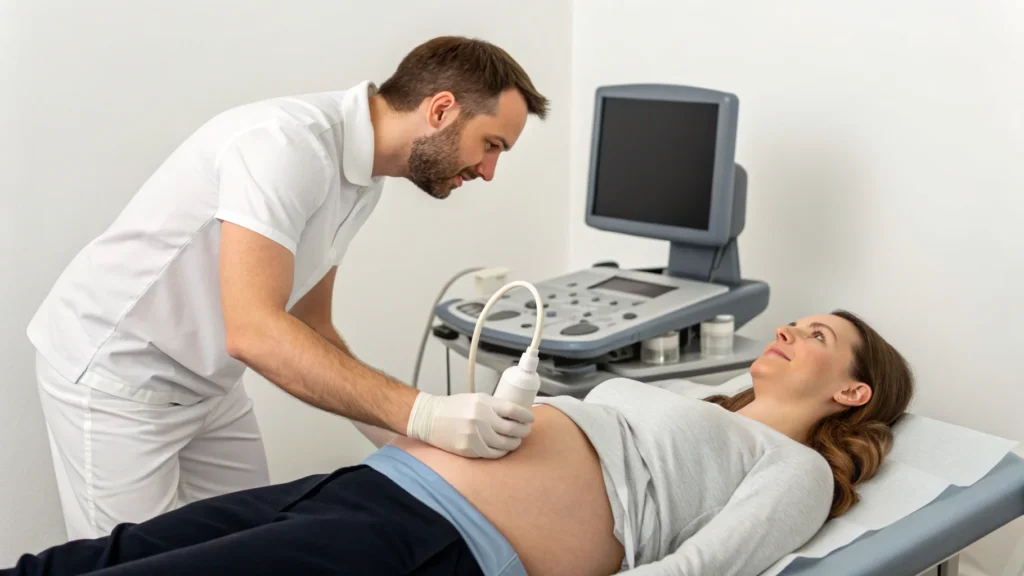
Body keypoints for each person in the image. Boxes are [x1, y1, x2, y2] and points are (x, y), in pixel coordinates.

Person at [26, 35, 551, 540]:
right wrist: (426, 413)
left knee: (252, 544)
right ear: (440, 110)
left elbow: (308, 321)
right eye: (491, 145)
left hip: (208, 382)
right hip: (119, 375)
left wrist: (410, 438)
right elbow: (254, 331)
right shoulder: (285, 147)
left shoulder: (364, 179)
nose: (488, 171)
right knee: (130, 563)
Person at [4, 311, 914, 576]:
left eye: (818, 337)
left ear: (852, 391)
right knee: (96, 557)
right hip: (374, 487)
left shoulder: (793, 469)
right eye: (792, 322)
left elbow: (704, 570)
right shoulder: (695, 400)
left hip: (440, 545)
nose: (790, 331)